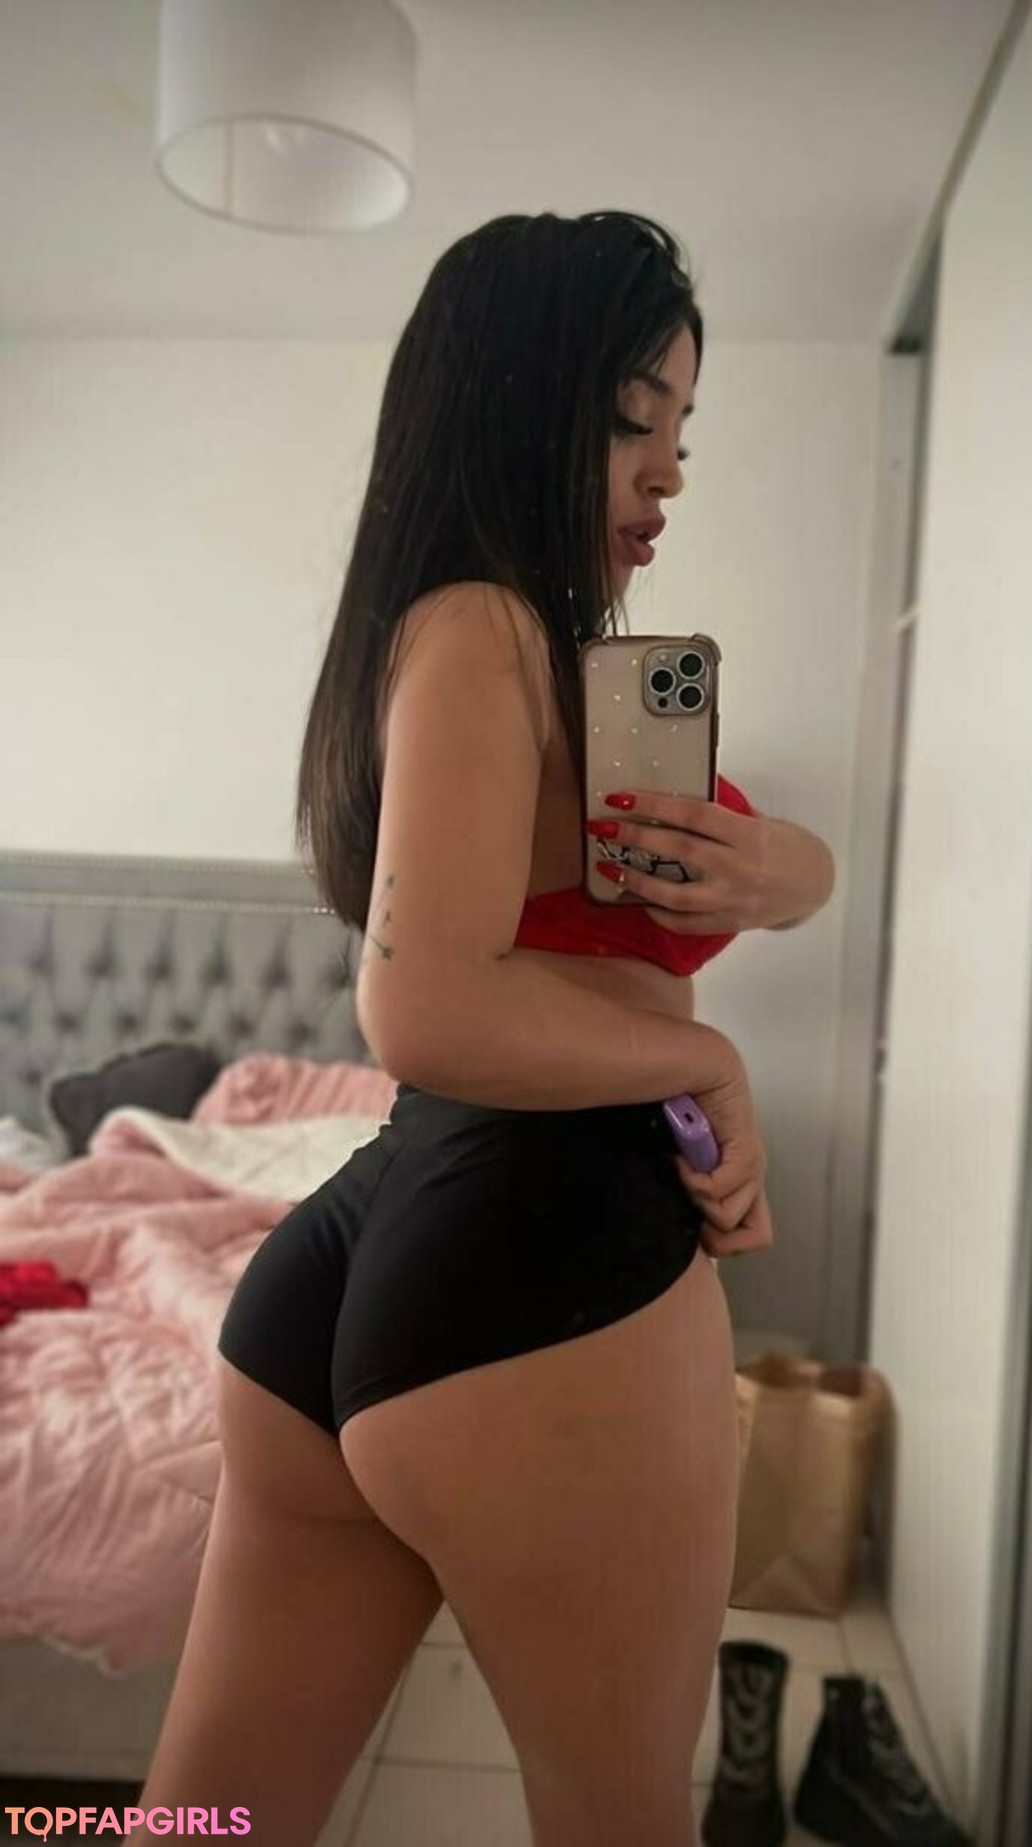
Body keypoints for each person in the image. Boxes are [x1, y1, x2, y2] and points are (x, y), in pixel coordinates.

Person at [134, 212, 833, 1847]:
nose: (669, 472)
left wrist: (787, 869)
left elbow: (586, 931)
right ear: (519, 403)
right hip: (540, 1250)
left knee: (203, 1826)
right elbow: (427, 1004)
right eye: (633, 418)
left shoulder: (525, 655)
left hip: (378, 1253)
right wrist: (707, 1059)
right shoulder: (486, 625)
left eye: (683, 428)